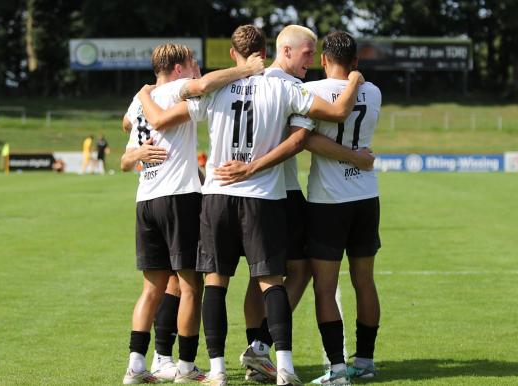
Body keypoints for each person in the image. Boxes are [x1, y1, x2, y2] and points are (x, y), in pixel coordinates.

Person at [138, 24, 363, 386]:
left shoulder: (216, 85)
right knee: (270, 281)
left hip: (217, 194)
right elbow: (336, 113)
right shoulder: (285, 87)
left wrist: (145, 95)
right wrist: (354, 79)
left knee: (215, 283)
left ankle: (217, 371)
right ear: (269, 50)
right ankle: (283, 366)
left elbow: (165, 117)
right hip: (264, 197)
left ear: (233, 54)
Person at [120, 42, 265, 385]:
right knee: (190, 285)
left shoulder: (143, 98)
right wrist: (245, 70)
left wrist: (141, 136)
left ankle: (136, 366)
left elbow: (127, 127)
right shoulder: (173, 89)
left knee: (152, 288)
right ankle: (185, 367)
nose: (197, 66)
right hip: (177, 200)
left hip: (146, 200)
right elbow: (200, 87)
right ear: (178, 67)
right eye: (192, 61)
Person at [238, 24, 376, 383]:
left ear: (329, 58)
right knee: (304, 274)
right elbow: (305, 136)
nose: (311, 61)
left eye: (316, 55)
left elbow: (304, 136)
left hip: (270, 192)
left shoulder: (261, 85)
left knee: (264, 277)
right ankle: (267, 349)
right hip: (294, 191)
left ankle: (261, 348)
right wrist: (355, 156)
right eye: (305, 54)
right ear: (285, 51)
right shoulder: (306, 88)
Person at [301, 31, 382, 385]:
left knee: (325, 287)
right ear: (356, 62)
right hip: (366, 196)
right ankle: (364, 361)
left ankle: (336, 369)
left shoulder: (312, 91)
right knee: (364, 281)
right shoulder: (374, 91)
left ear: (322, 60)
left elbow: (308, 140)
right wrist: (357, 159)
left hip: (328, 201)